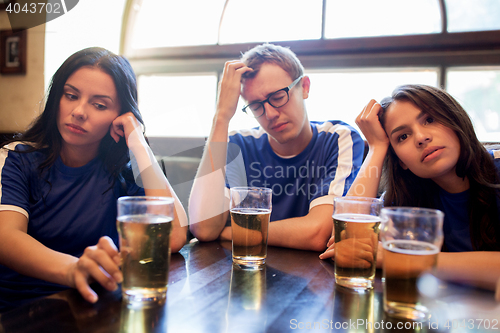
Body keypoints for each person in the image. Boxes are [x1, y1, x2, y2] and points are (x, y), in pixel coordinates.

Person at [0, 47, 188, 312]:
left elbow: (174, 236)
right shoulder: (17, 157)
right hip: (21, 309)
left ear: (120, 114)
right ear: (57, 98)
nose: (79, 111)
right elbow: (6, 236)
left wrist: (137, 142)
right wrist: (74, 269)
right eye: (70, 96)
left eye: (99, 105)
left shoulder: (124, 169)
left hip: (97, 306)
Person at [320, 84, 500, 290]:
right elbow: (349, 244)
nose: (422, 138)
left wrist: (400, 259)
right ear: (401, 161)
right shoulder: (406, 198)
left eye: (430, 120)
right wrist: (377, 147)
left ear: (455, 119)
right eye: (402, 137)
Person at [188, 44, 364, 251]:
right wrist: (221, 117)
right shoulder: (237, 143)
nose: (270, 114)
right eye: (256, 106)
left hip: (312, 277)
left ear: (304, 87)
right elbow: (204, 228)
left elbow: (318, 233)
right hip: (244, 272)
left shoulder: (338, 138)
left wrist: (229, 233)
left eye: (278, 97)